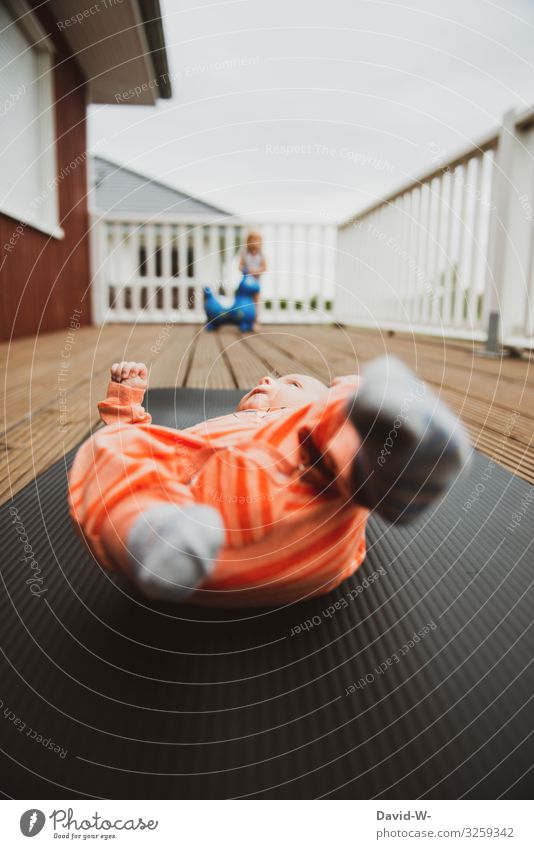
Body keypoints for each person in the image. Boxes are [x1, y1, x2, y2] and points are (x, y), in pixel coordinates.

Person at [68, 356, 470, 608]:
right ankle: (153, 533)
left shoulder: (305, 425)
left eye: (291, 384)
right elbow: (145, 452)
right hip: (202, 521)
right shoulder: (211, 431)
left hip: (303, 526)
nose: (267, 380)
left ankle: (397, 448)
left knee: (341, 405)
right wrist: (127, 401)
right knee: (114, 445)